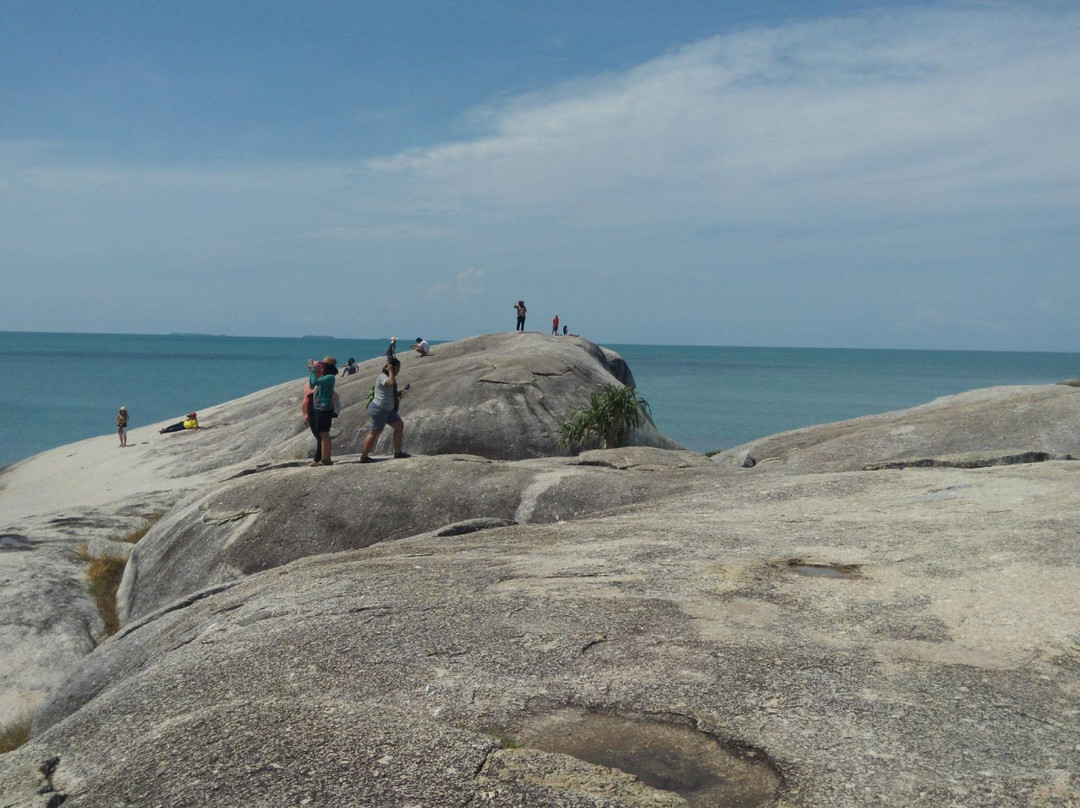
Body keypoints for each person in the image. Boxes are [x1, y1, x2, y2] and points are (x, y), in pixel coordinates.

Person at [361, 356, 408, 463]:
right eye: (398, 368)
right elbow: (390, 383)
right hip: (379, 408)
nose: (398, 371)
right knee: (374, 432)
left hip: (388, 409)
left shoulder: (389, 377)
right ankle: (364, 456)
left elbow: (387, 390)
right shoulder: (382, 376)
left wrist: (397, 394)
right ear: (392, 367)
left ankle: (398, 452)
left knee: (399, 426)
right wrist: (390, 370)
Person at [307, 356, 338, 466]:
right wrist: (312, 371)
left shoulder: (330, 377)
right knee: (322, 433)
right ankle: (325, 458)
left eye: (323, 364)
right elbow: (312, 384)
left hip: (324, 408)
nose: (321, 365)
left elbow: (315, 381)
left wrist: (313, 369)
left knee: (324, 434)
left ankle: (326, 459)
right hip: (319, 408)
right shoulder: (325, 376)